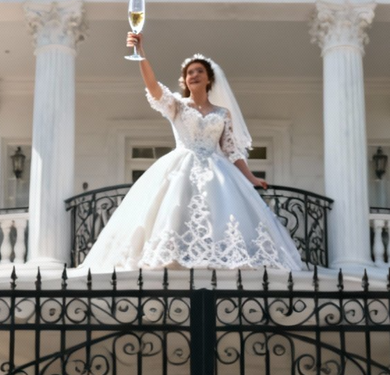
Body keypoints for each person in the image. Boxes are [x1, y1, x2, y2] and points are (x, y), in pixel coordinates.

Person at [77, 32, 305, 272]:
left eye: (199, 71)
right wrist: (141, 54)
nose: (193, 75)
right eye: (189, 73)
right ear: (184, 81)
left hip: (218, 172)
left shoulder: (222, 113)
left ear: (209, 79)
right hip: (181, 166)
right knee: (175, 210)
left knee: (220, 215)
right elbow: (153, 87)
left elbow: (231, 151)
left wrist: (250, 178)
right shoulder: (177, 105)